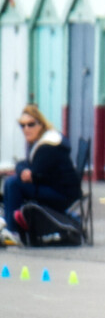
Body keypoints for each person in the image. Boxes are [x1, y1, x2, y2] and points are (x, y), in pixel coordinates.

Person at [1, 105, 82, 246]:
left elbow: (33, 174)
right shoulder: (39, 143)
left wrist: (23, 171)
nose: (26, 129)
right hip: (54, 188)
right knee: (12, 181)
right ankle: (10, 226)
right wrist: (22, 170)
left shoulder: (48, 146)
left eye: (31, 124)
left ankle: (13, 231)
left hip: (61, 195)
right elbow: (25, 166)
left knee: (12, 183)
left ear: (41, 124)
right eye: (22, 125)